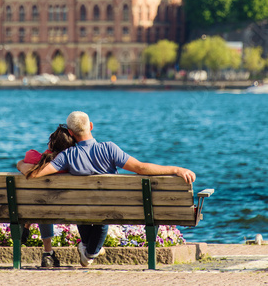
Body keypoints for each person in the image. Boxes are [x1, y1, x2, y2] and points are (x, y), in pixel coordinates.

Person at [17, 111, 196, 268]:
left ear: (70, 133)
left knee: (86, 214)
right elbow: (141, 168)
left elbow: (34, 174)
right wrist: (176, 169)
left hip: (81, 213)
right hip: (110, 211)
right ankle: (89, 254)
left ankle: (88, 252)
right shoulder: (109, 149)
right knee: (99, 226)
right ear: (91, 126)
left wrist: (20, 164)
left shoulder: (67, 156)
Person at [20, 124, 75, 268]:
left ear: (51, 143)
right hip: (69, 209)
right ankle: (47, 252)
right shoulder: (70, 164)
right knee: (45, 202)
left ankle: (46, 250)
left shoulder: (33, 157)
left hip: (37, 207)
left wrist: (19, 164)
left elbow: (27, 164)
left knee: (42, 202)